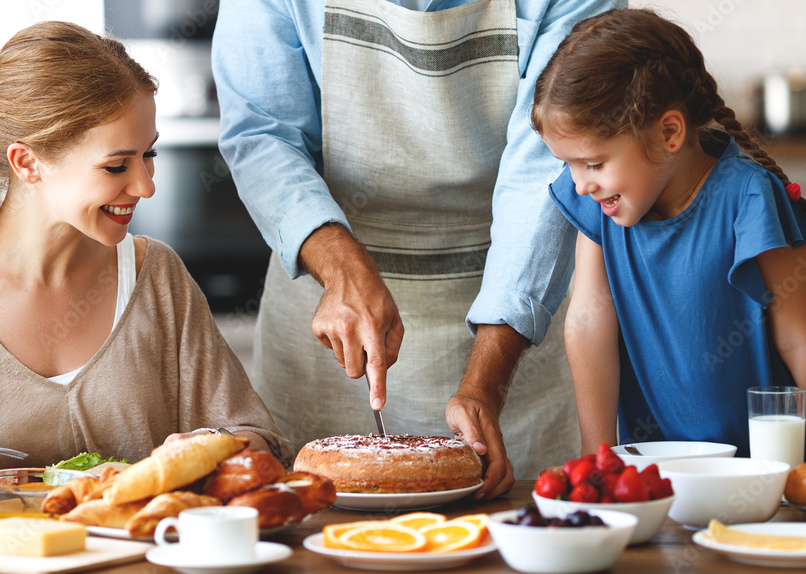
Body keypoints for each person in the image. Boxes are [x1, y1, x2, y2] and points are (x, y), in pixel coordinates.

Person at [0, 21, 291, 501]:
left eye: (150, 155)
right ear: (27, 163)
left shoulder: (156, 276)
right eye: (116, 165)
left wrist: (211, 444)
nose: (146, 185)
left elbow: (259, 440)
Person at [213, 0, 624, 497]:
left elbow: (546, 165)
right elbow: (261, 134)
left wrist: (485, 386)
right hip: (325, 311)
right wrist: (341, 269)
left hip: (515, 327)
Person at [533, 9, 806, 458]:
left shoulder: (750, 197)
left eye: (594, 163)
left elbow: (803, 340)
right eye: (567, 165)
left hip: (768, 477)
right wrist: (596, 460)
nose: (581, 184)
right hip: (660, 480)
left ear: (669, 132)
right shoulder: (603, 208)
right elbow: (589, 319)